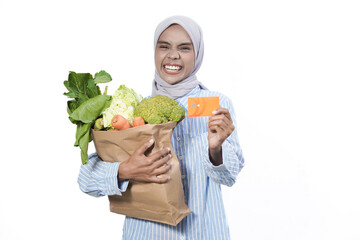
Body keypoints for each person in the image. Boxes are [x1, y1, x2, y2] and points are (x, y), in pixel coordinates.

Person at [78, 15, 245, 240]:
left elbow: (229, 177)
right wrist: (125, 170)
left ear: (197, 54)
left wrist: (216, 151)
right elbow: (86, 180)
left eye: (184, 48)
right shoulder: (134, 109)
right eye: (164, 46)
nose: (172, 55)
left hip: (204, 232)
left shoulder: (215, 105)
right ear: (154, 51)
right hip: (147, 233)